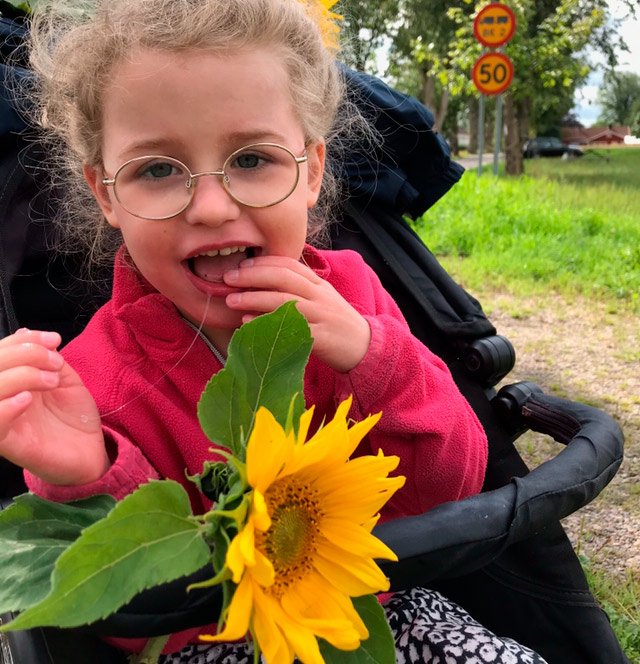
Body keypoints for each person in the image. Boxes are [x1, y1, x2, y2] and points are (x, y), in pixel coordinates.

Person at [0, 1, 548, 662]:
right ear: (106, 194)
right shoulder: (93, 382)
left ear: (313, 171)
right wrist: (87, 474)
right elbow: (130, 621)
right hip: (216, 640)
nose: (211, 205)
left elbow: (450, 486)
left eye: (252, 159)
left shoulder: (354, 296)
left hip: (375, 604)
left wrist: (374, 356)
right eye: (156, 170)